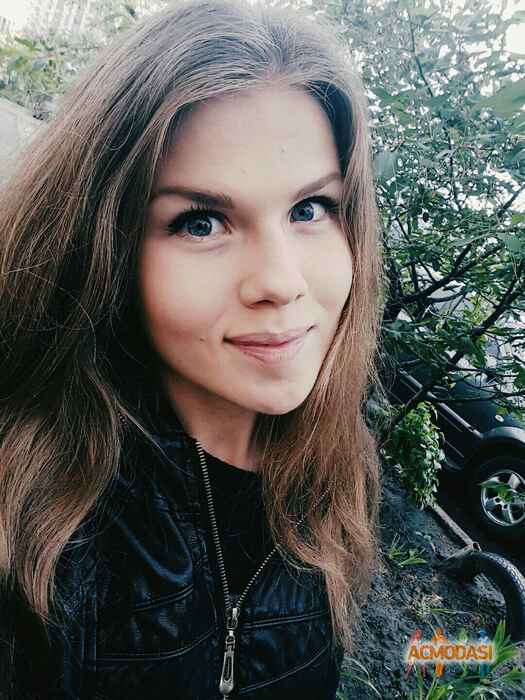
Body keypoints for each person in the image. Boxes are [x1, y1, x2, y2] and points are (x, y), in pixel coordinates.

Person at [0, 0, 384, 697]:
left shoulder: (339, 469)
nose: (280, 282)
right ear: (106, 246)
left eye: (309, 209)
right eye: (201, 222)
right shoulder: (30, 500)